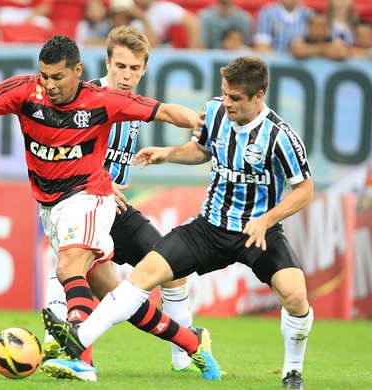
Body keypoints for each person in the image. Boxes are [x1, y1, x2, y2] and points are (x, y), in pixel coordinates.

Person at [0, 34, 219, 383]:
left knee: (69, 266)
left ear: (77, 70)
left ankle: (80, 359)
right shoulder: (26, 92)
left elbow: (165, 111)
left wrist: (201, 123)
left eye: (58, 77)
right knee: (108, 292)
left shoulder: (102, 101)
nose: (50, 84)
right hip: (52, 206)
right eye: (44, 76)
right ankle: (192, 341)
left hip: (89, 197)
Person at [42, 55, 315, 390]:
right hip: (209, 227)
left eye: (235, 98)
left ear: (259, 97)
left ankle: (292, 372)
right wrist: (167, 153)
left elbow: (304, 190)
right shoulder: (215, 112)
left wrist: (266, 220)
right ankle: (78, 344)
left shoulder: (280, 136)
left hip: (257, 232)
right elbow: (202, 150)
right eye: (225, 93)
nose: (226, 102)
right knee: (143, 276)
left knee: (296, 296)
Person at [41, 25, 205, 379]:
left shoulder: (134, 105)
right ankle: (66, 351)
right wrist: (98, 179)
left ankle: (187, 353)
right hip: (82, 202)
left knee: (172, 266)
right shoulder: (85, 97)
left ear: (144, 68)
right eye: (120, 66)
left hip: (117, 210)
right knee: (82, 277)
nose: (126, 75)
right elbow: (63, 146)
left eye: (134, 68)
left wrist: (197, 123)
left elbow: (166, 113)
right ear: (108, 63)